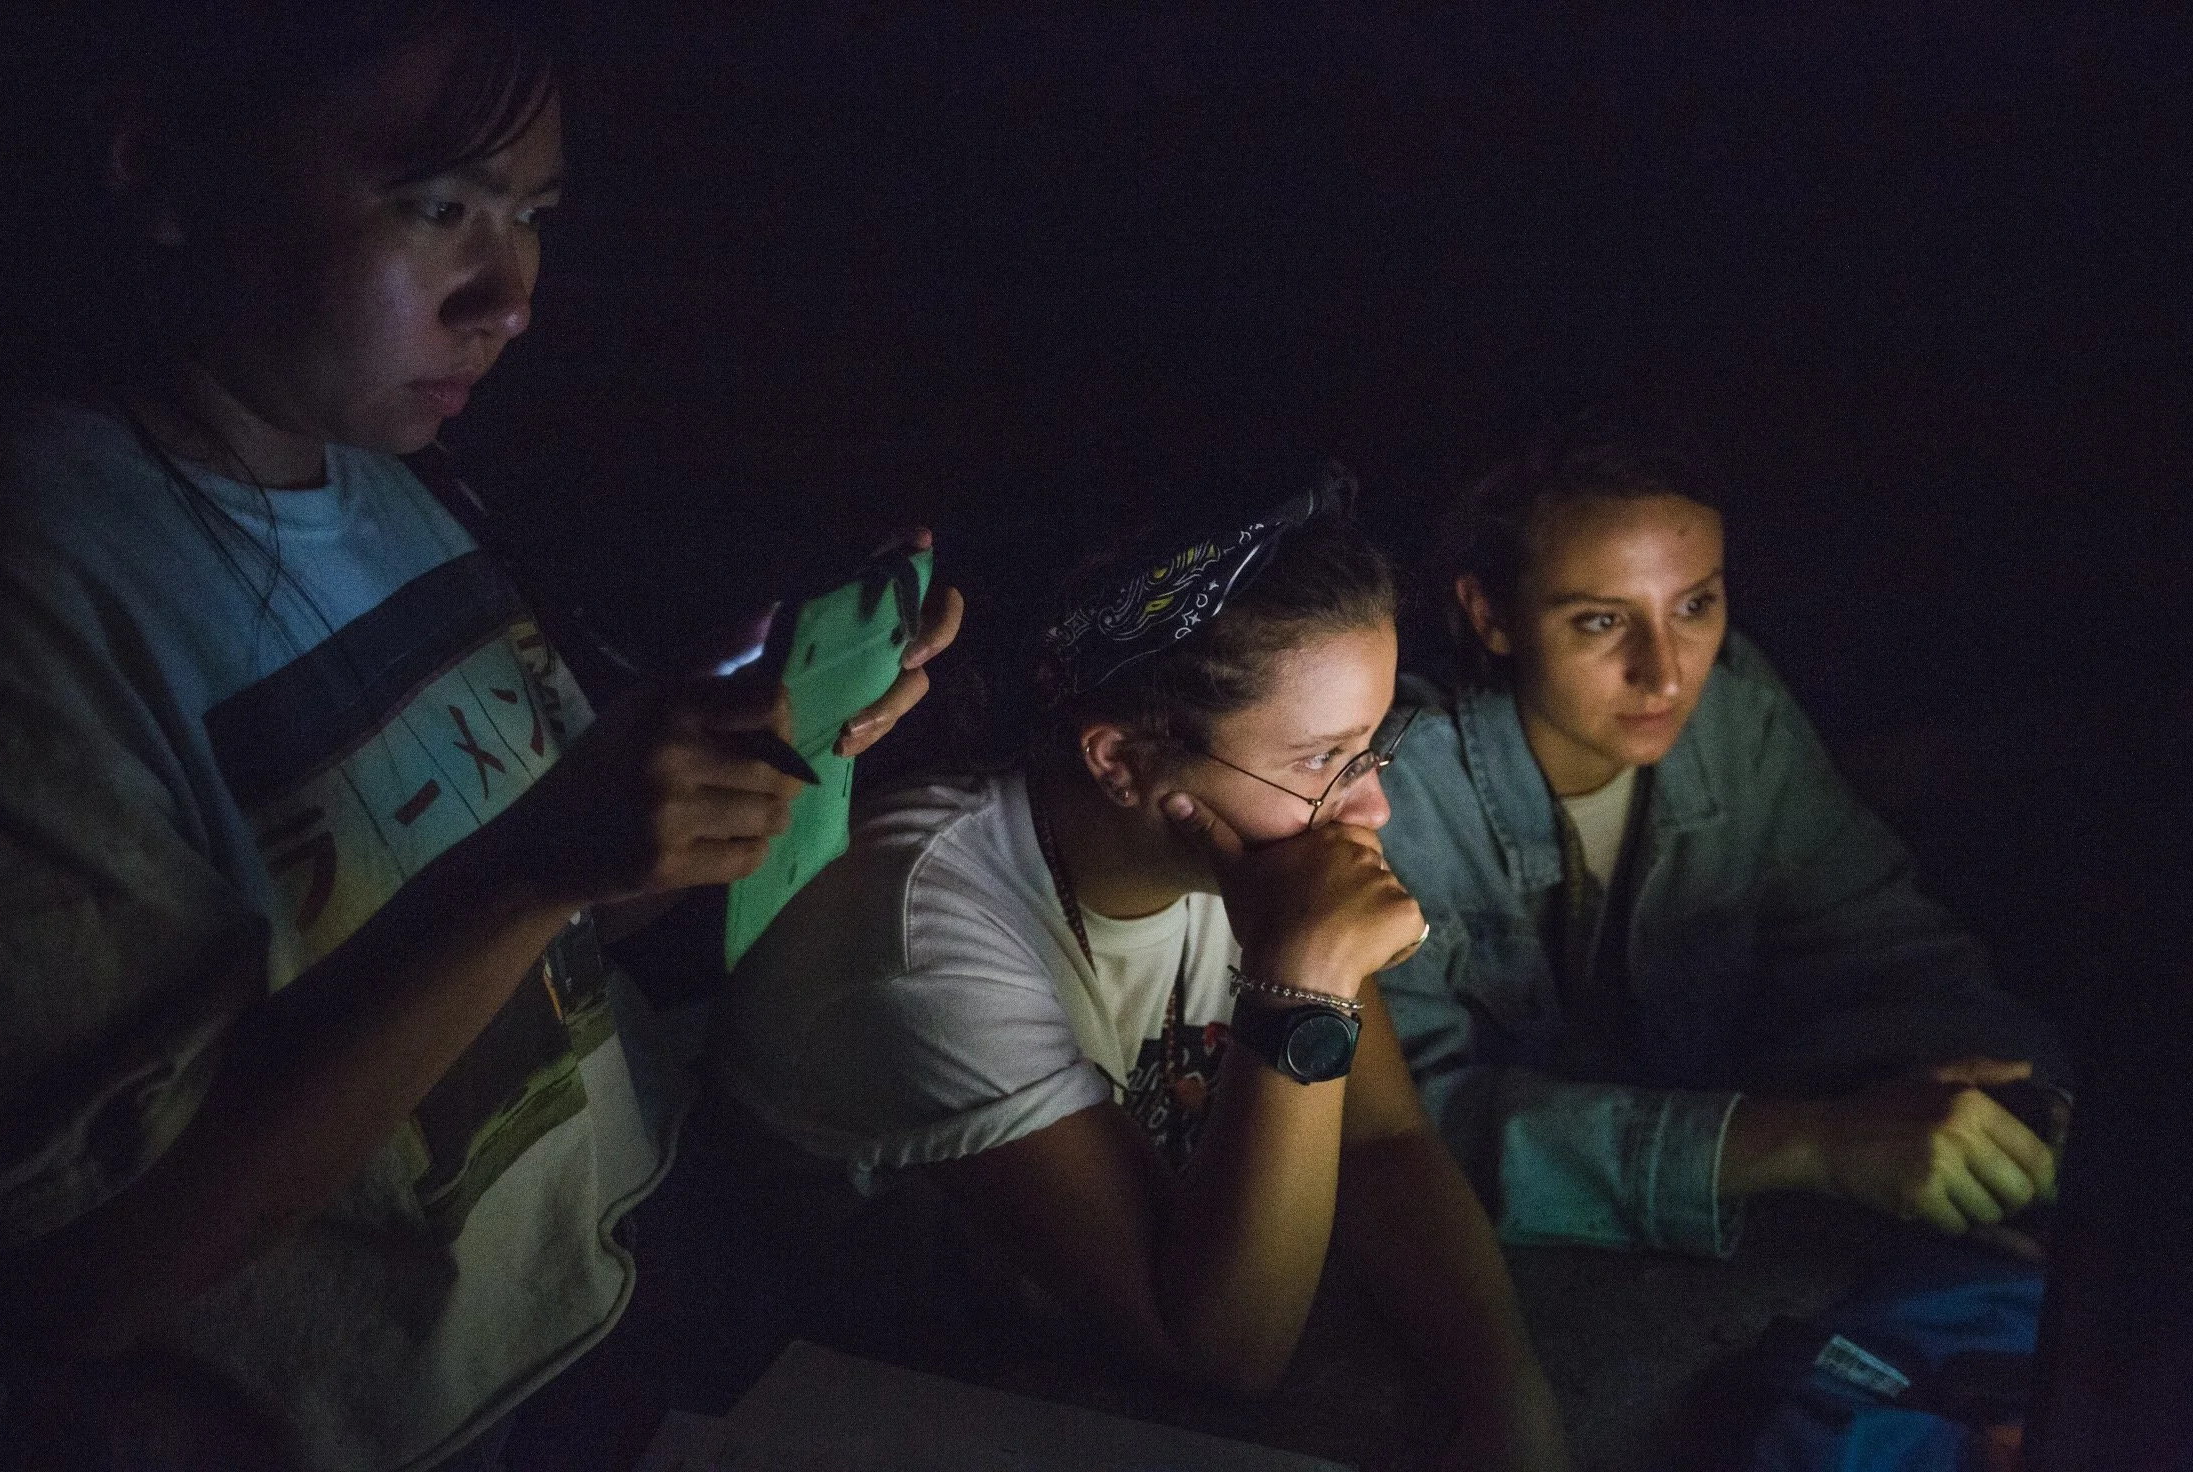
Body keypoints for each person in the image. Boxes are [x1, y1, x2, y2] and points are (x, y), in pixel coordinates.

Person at [0, 4, 961, 1468]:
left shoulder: (391, 484)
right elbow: (88, 1263)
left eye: (533, 216)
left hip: (634, 1308)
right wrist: (533, 866)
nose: (507, 294)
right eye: (437, 204)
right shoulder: (41, 571)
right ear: (165, 171)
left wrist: (765, 740)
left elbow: (581, 923)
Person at [722, 472, 1572, 1472]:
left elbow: (1382, 1142)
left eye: (1374, 744)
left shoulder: (1247, 854)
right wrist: (1300, 985)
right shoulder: (919, 931)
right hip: (844, 1387)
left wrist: (1509, 1400)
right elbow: (1222, 1347)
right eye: (1321, 759)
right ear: (1122, 760)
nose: (1372, 806)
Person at [1374, 432, 2065, 1263]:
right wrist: (1808, 1143)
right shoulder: (1393, 788)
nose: (1666, 675)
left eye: (1695, 606)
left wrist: (2006, 1103)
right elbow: (1404, 1132)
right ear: (1490, 616)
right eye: (1601, 621)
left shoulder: (1737, 717)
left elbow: (1892, 954)